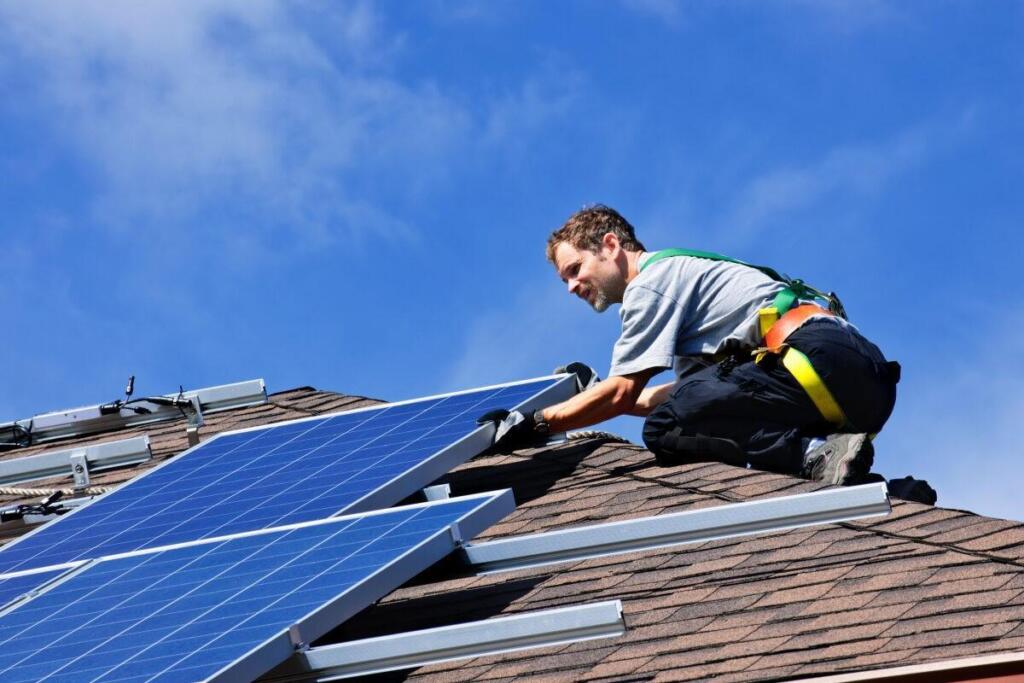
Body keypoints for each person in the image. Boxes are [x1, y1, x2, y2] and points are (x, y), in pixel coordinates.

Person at [479, 204, 903, 486]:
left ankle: (812, 455)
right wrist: (596, 399)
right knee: (683, 410)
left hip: (816, 363)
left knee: (667, 429)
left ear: (610, 245)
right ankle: (860, 482)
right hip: (860, 382)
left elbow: (626, 390)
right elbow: (680, 395)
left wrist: (536, 422)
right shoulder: (686, 286)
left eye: (575, 269)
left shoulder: (651, 285)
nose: (571, 287)